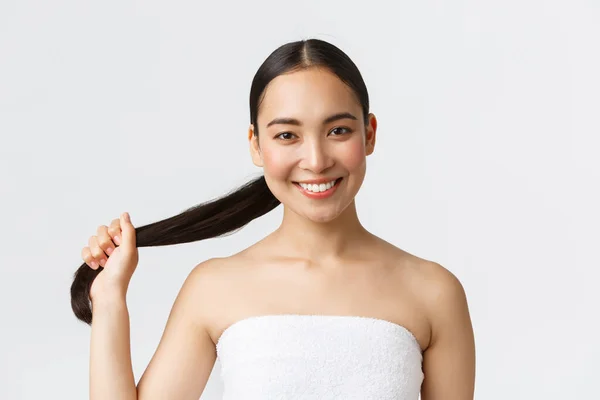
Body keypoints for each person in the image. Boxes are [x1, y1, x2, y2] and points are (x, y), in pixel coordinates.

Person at [72, 38, 476, 399]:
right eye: (287, 135)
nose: (316, 161)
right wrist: (108, 299)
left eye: (338, 130)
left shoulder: (434, 293)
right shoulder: (214, 287)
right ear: (256, 144)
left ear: (369, 134)